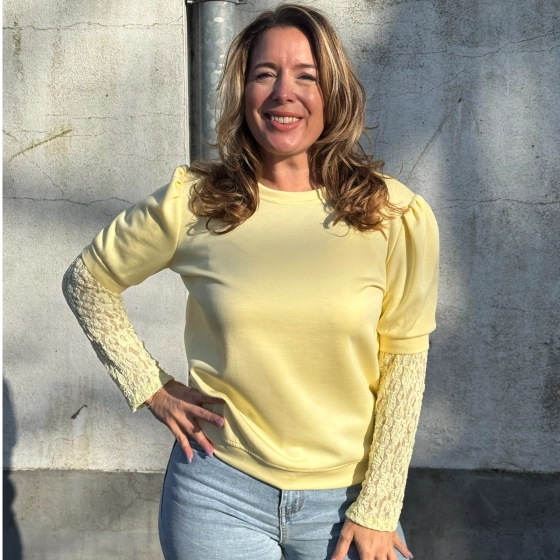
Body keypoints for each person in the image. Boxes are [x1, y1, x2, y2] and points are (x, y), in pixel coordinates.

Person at [62, 4, 438, 560]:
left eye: (306, 76)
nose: (284, 93)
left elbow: (404, 366)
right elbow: (88, 282)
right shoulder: (194, 203)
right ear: (243, 92)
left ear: (334, 93)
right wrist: (152, 388)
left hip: (348, 505)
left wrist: (379, 508)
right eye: (265, 74)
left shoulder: (393, 215)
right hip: (217, 494)